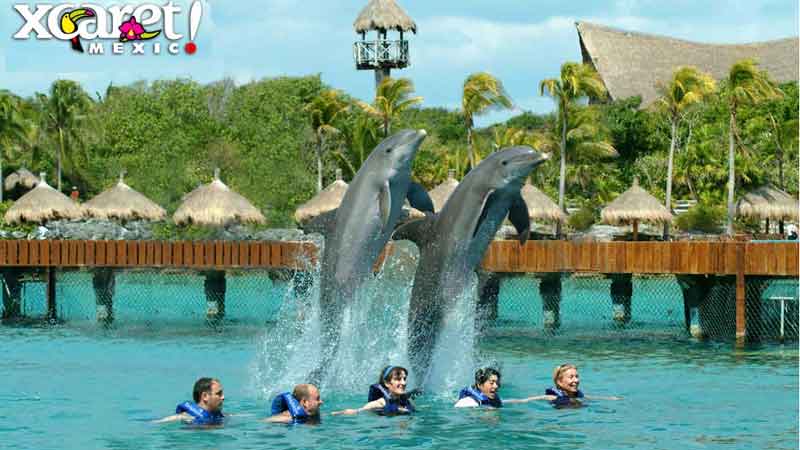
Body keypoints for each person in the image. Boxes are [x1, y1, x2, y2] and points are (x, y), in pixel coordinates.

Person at [332, 365, 417, 415]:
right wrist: (337, 413)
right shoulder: (380, 403)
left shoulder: (408, 401)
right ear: (387, 383)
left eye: (404, 379)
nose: (403, 383)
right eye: (398, 379)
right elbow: (357, 411)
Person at [525, 364, 621, 407]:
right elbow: (529, 400)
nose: (576, 380)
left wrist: (610, 398)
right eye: (571, 377)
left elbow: (590, 397)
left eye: (577, 376)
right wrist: (514, 401)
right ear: (559, 382)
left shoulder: (578, 395)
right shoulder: (552, 396)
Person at [155, 377, 225, 425]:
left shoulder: (217, 415)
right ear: (205, 396)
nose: (223, 397)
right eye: (219, 394)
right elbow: (158, 422)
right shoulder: (186, 417)